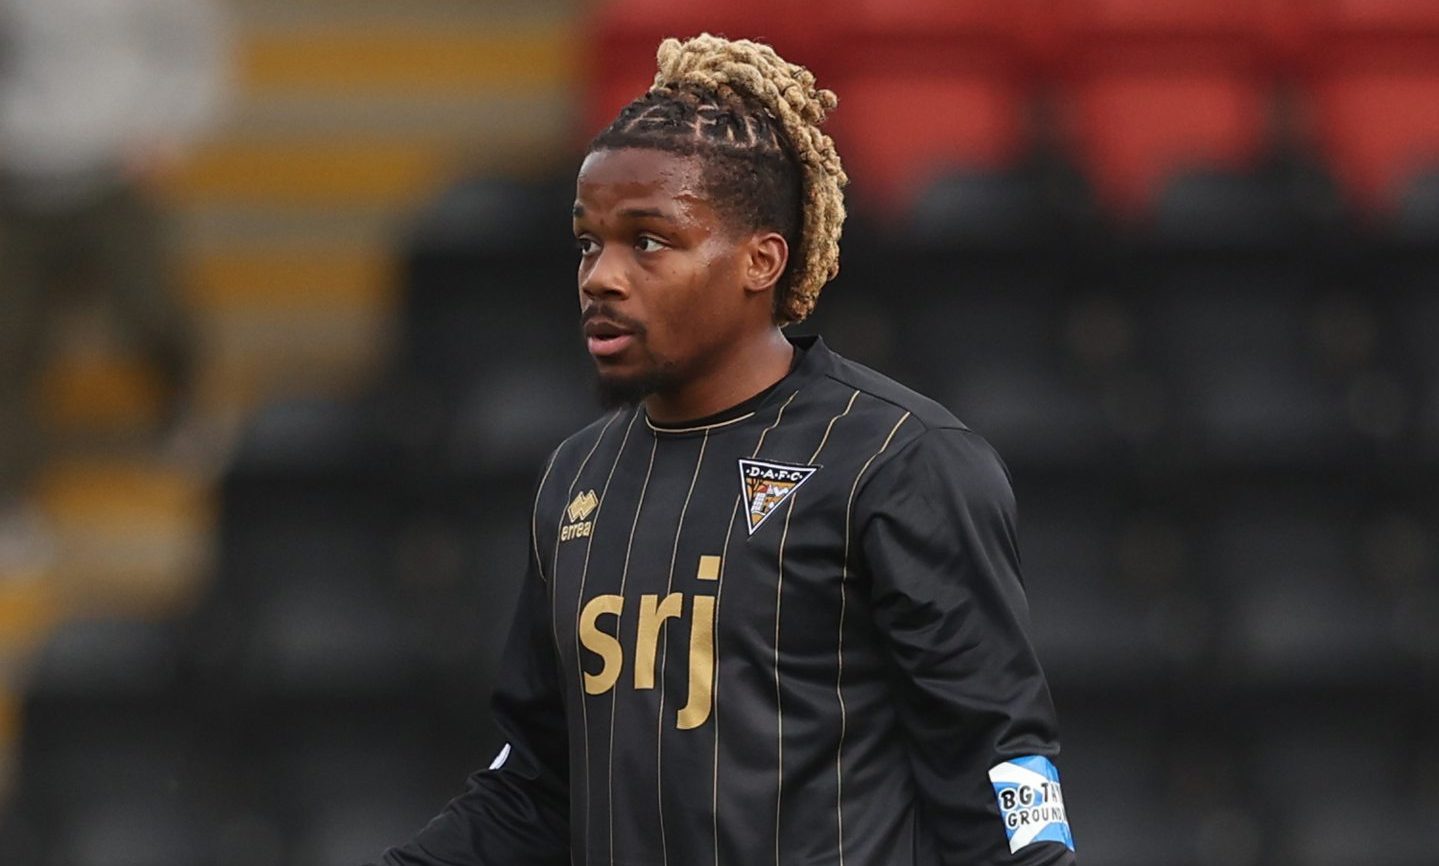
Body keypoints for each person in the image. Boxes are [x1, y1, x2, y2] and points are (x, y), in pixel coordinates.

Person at [375, 33, 1075, 866]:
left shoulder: (897, 462)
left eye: (648, 241)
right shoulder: (575, 480)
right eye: (587, 242)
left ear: (760, 260)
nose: (600, 275)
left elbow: (996, 774)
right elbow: (536, 785)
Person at [0, 0, 228, 567]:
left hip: (110, 167)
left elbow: (195, 41)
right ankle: (9, 496)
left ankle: (184, 404)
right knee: (10, 340)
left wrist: (172, 129)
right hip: (14, 178)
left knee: (149, 306)